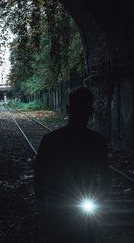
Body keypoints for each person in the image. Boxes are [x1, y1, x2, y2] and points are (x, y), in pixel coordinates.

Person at [34, 87, 111, 242]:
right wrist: (100, 199)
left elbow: (39, 179)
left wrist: (43, 208)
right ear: (92, 111)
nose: (81, 114)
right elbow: (106, 177)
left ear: (68, 109)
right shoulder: (98, 141)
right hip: (84, 204)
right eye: (80, 109)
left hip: (58, 206)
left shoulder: (50, 140)